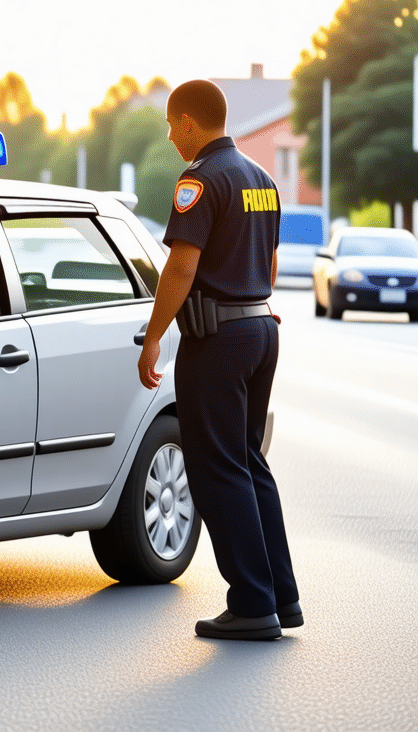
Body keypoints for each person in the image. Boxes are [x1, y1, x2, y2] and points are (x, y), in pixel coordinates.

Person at [137, 79, 300, 641]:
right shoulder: (261, 179)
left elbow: (181, 267)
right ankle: (280, 596)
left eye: (170, 124)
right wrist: (252, 305)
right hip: (259, 328)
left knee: (217, 469)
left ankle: (253, 605)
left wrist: (155, 336)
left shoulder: (201, 179)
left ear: (188, 122)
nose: (170, 136)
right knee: (250, 463)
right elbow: (271, 265)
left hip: (218, 341)